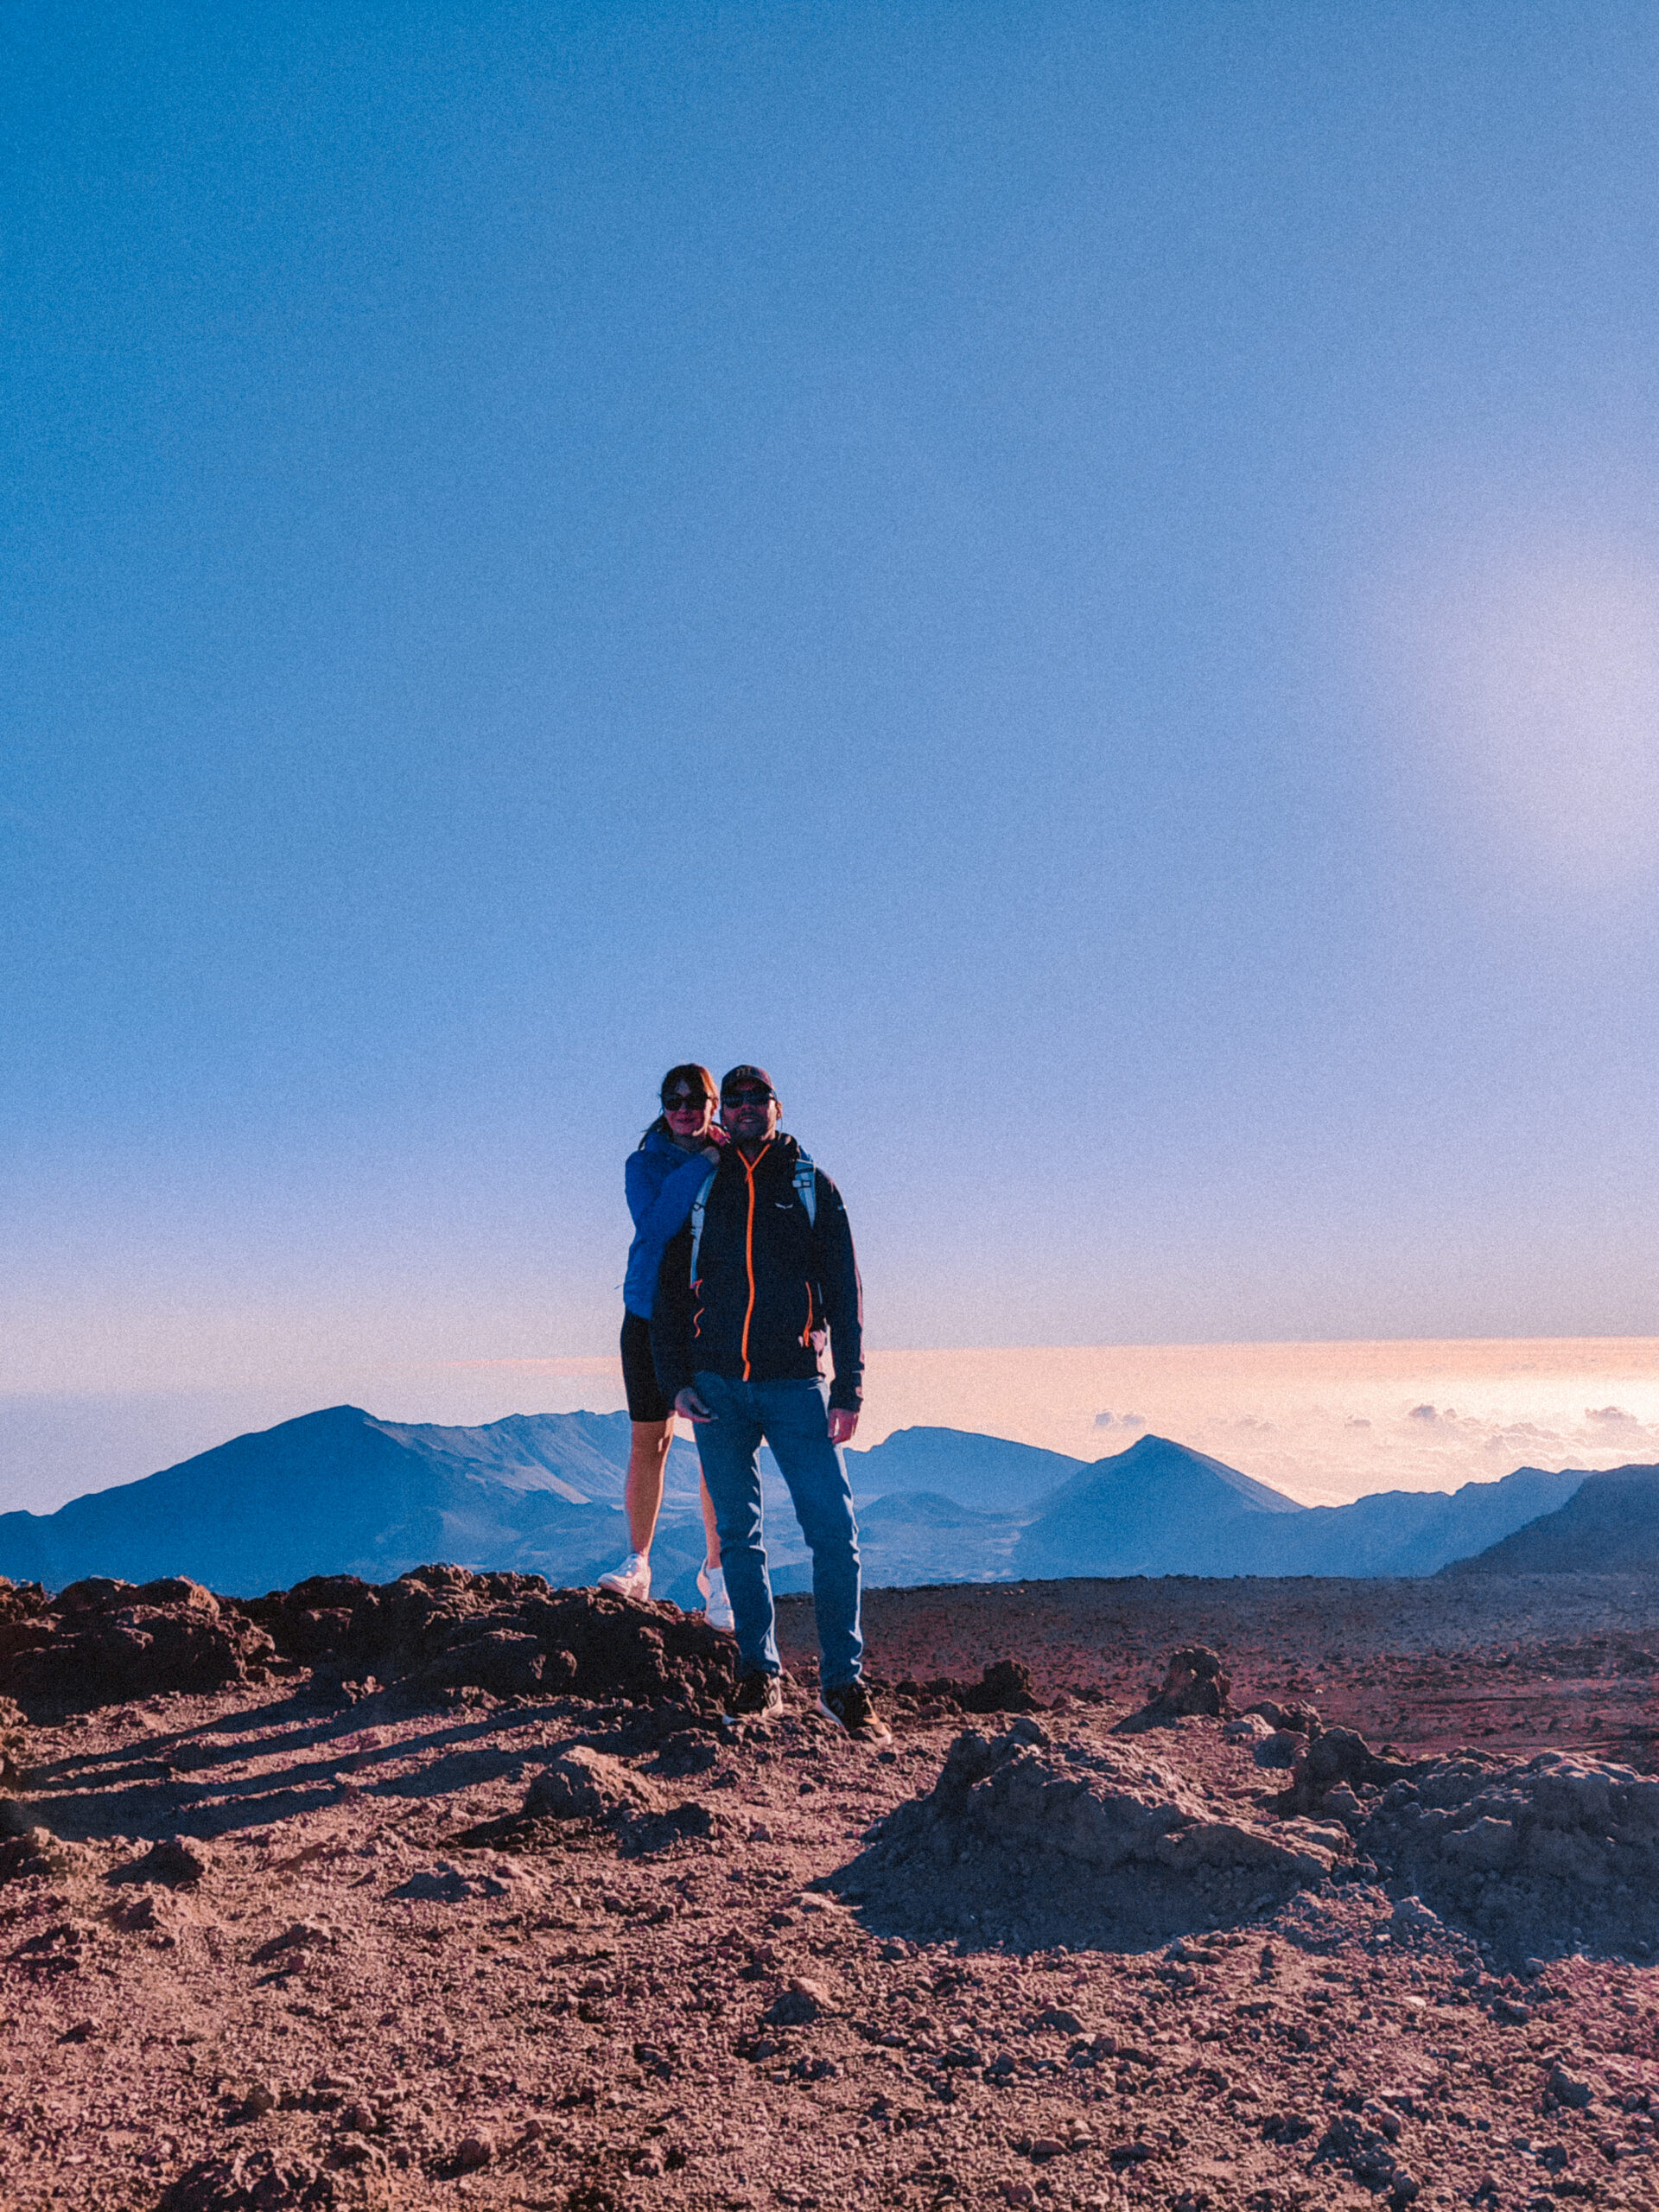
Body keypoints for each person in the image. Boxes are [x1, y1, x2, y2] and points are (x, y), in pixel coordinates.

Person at [650, 1063, 888, 1740]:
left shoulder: (811, 1186)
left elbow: (846, 1291)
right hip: (718, 1387)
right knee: (737, 1537)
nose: (749, 1108)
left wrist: (850, 1385)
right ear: (724, 1112)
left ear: (778, 1107)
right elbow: (670, 1291)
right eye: (739, 1099)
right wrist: (675, 1380)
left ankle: (844, 1685)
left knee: (833, 1535)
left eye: (761, 1098)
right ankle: (760, 1674)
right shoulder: (705, 1186)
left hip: (796, 1385)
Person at [598, 1064, 733, 1626]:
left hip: (716, 1318)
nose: (684, 1107)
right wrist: (706, 1161)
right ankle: (639, 1563)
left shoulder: (741, 1159)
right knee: (649, 1441)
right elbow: (655, 1224)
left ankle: (720, 1575)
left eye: (695, 1097)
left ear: (713, 1102)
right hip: (651, 1314)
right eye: (672, 1098)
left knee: (717, 1446)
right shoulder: (644, 1163)